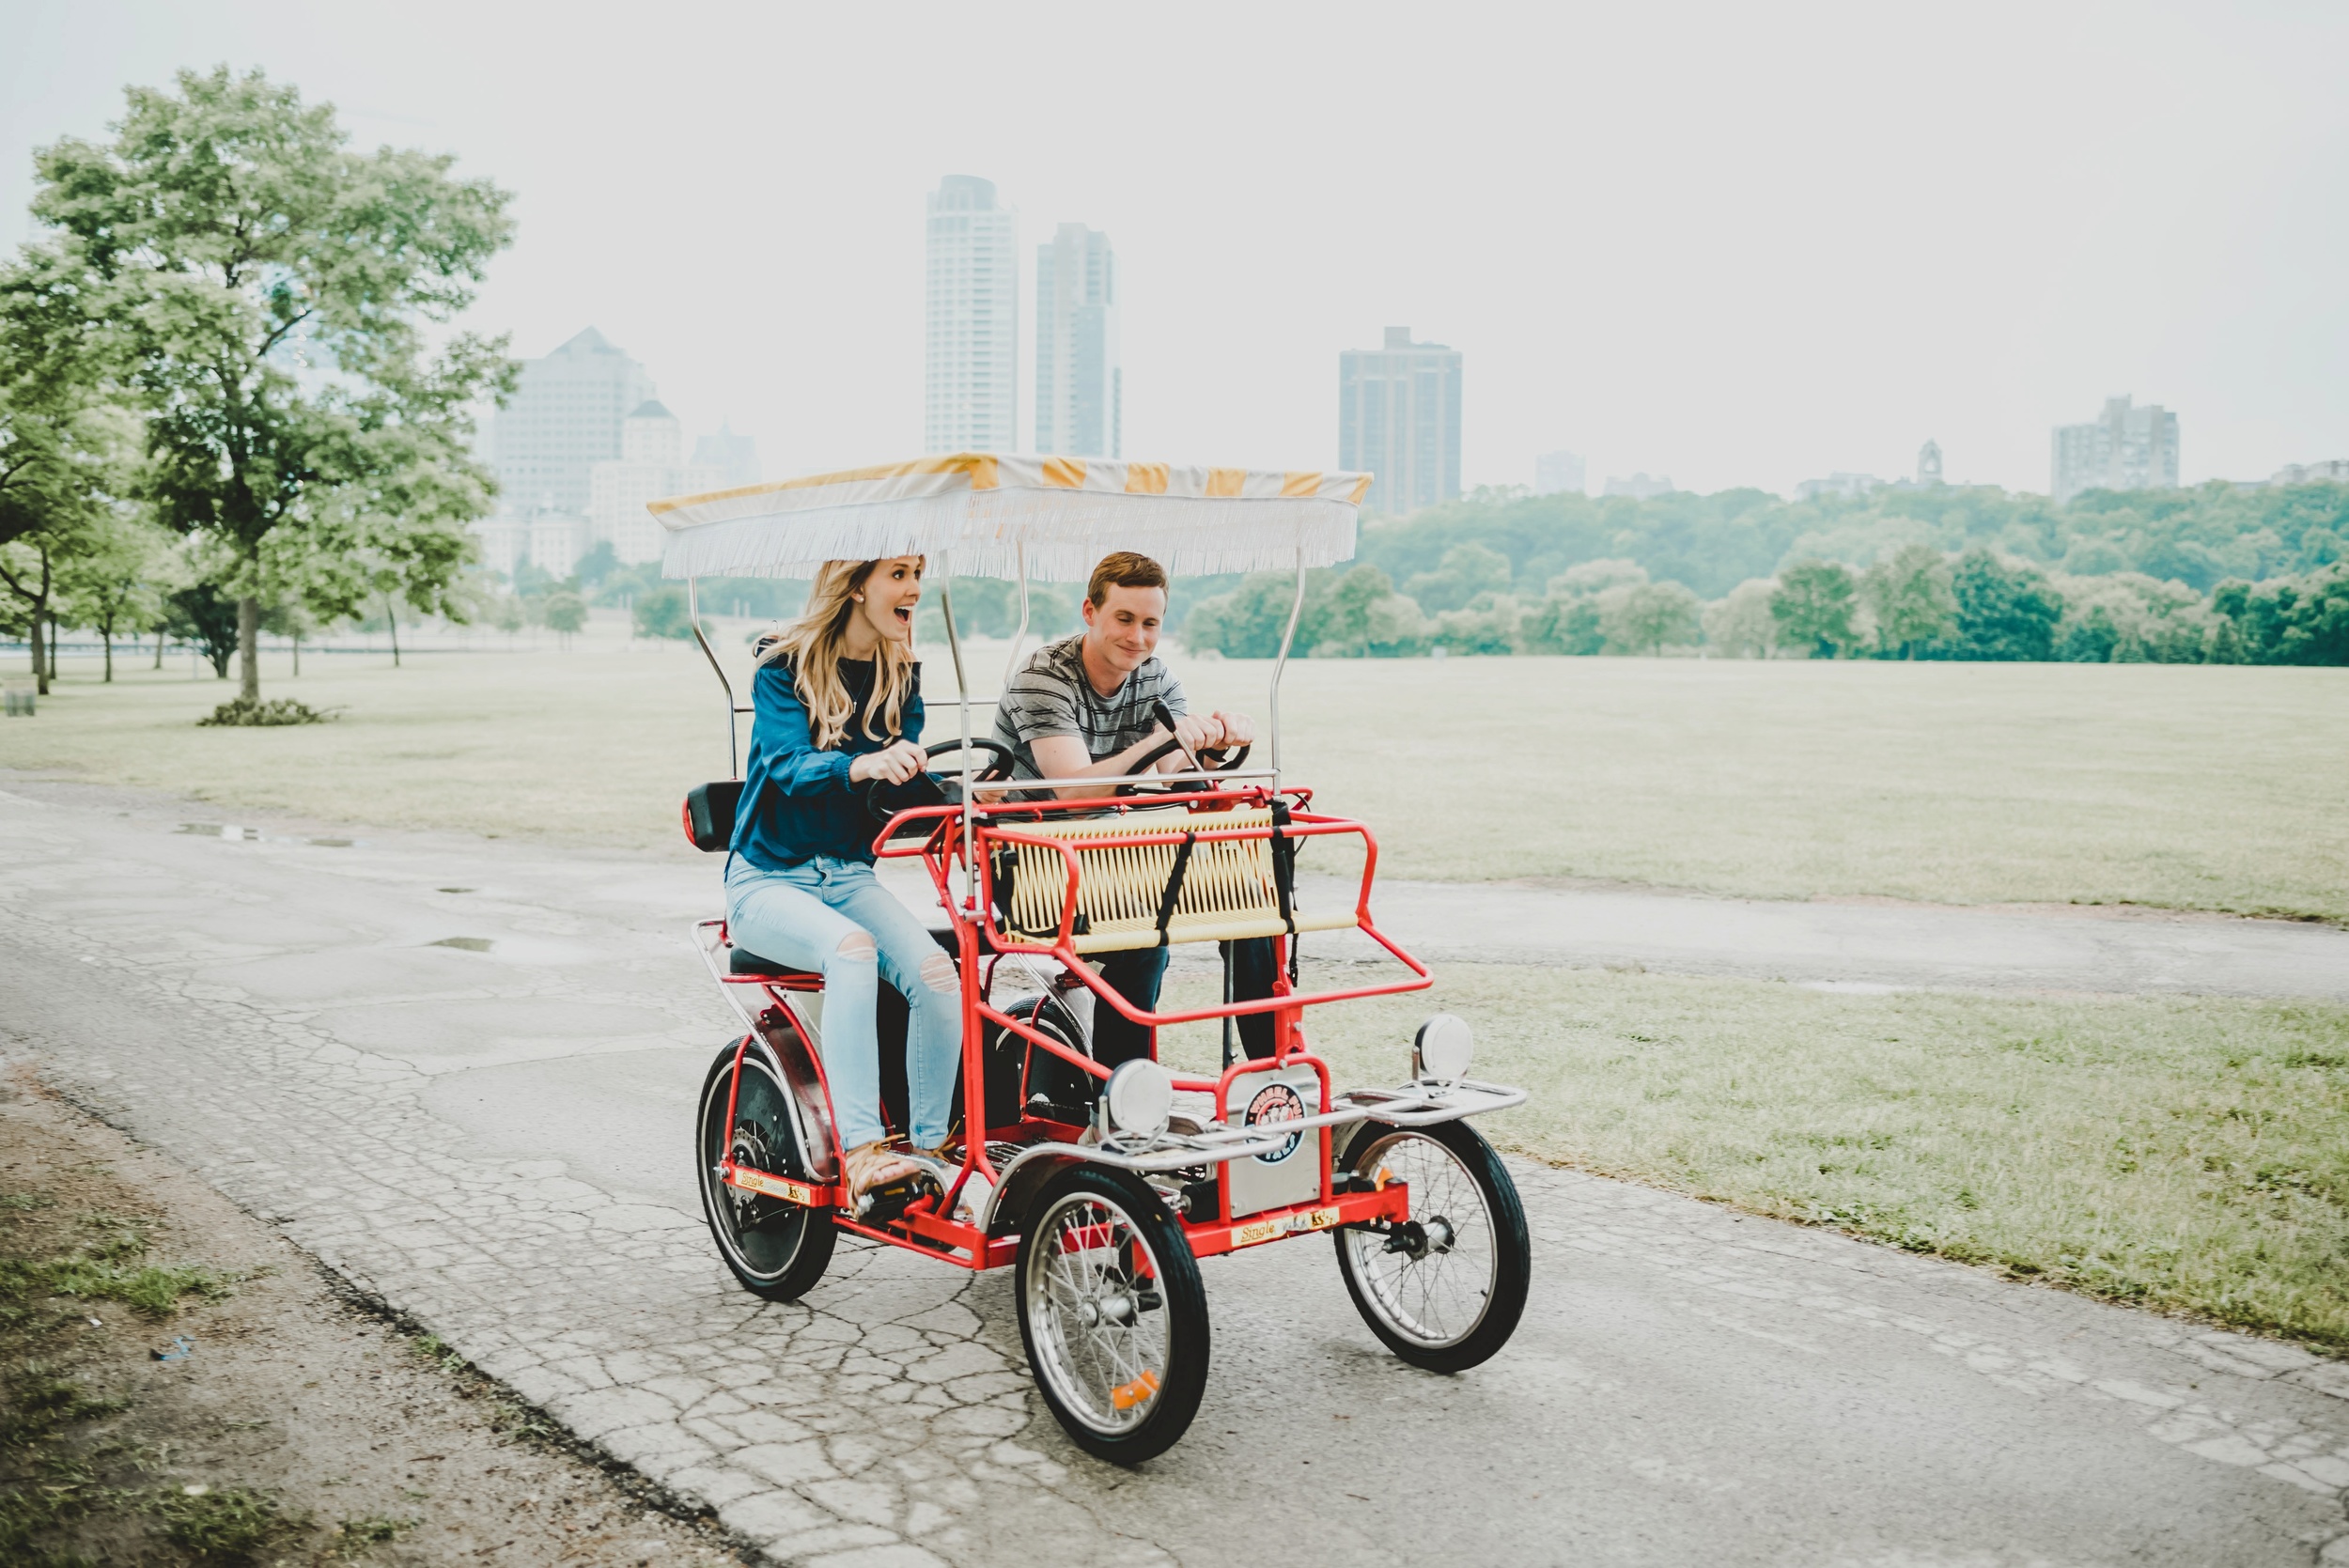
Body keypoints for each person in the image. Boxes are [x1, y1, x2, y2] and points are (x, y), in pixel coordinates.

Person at [725, 556, 959, 1206]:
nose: (914, 586)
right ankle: (862, 1153)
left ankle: (931, 1153)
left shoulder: (901, 675)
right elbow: (789, 766)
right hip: (767, 879)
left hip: (848, 875)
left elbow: (907, 780)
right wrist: (866, 764)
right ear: (858, 584)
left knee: (940, 975)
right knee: (851, 950)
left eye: (918, 571)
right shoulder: (782, 668)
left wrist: (960, 800)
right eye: (898, 572)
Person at [989, 551, 1280, 1070]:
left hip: (1109, 853)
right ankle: (1122, 1107)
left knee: (1252, 906)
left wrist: (1215, 744)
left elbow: (1182, 776)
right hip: (1029, 858)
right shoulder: (1043, 678)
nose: (1138, 638)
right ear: (1090, 612)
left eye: (1151, 624)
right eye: (1124, 619)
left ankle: (1269, 1078)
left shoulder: (1155, 677)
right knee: (1143, 940)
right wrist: (1159, 741)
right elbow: (1075, 798)